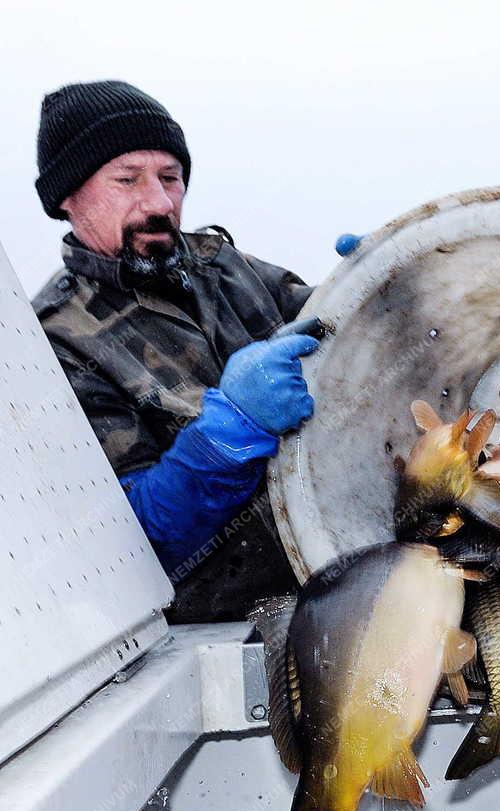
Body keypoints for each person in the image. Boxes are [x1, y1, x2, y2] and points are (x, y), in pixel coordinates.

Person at [32, 80, 327, 622]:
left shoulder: (226, 268)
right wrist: (231, 433)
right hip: (228, 624)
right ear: (68, 198)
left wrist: (382, 283)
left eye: (171, 178)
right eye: (128, 180)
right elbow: (129, 545)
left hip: (341, 565)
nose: (160, 203)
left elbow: (345, 330)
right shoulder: (54, 344)